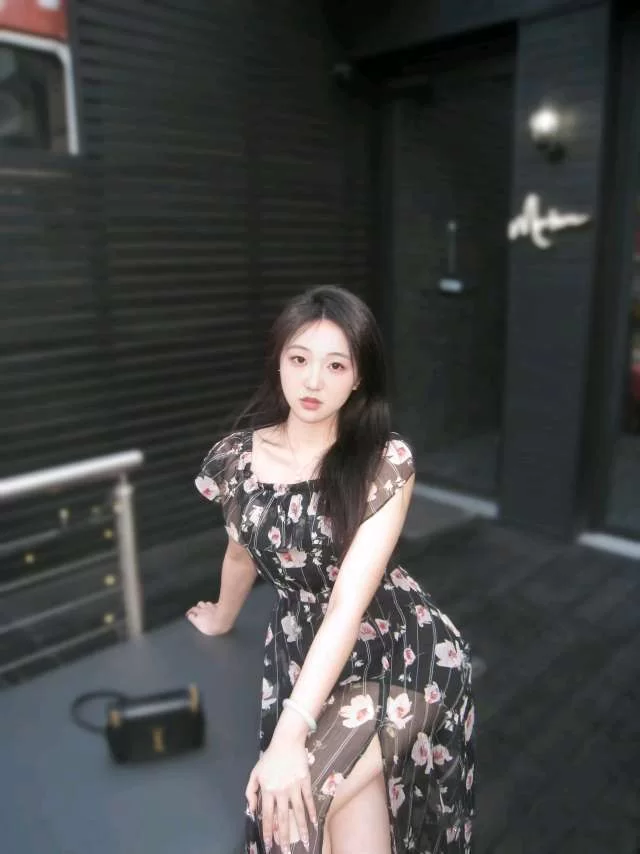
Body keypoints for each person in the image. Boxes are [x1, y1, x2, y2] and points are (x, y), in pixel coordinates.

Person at [188, 286, 475, 854]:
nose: (313, 381)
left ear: (358, 377)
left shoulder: (384, 461)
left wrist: (289, 736)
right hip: (304, 653)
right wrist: (222, 616)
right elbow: (240, 552)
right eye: (299, 359)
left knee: (281, 822)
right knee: (337, 817)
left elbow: (346, 605)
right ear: (279, 360)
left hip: (399, 654)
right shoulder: (236, 460)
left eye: (336, 365)